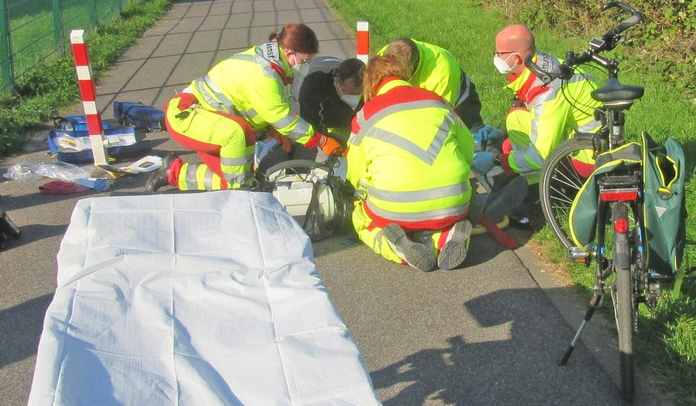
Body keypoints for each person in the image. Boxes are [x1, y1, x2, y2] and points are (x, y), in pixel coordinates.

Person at [147, 24, 344, 192]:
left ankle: (173, 171)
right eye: (305, 60)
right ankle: (243, 194)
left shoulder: (276, 64)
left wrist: (270, 128)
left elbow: (253, 103)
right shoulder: (265, 73)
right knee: (239, 139)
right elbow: (280, 115)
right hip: (188, 114)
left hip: (208, 117)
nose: (306, 65)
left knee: (230, 179)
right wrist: (321, 140)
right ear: (289, 52)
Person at [345, 55, 475, 271]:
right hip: (454, 201)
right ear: (404, 74)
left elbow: (355, 173)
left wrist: (363, 191)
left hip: (395, 207)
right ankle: (446, 238)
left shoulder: (365, 116)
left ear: (370, 84)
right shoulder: (438, 101)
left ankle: (398, 249)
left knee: (361, 217)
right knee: (440, 218)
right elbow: (468, 148)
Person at [479, 23, 601, 184]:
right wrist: (500, 133)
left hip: (587, 158)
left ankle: (533, 189)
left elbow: (541, 154)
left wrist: (499, 161)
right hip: (588, 139)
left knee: (516, 124)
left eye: (498, 53)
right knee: (514, 122)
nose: (496, 57)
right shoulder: (543, 64)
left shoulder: (546, 90)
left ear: (515, 58)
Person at [379, 37, 490, 139]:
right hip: (414, 98)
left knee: (474, 141)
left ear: (415, 64)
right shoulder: (384, 56)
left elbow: (438, 120)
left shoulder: (441, 73)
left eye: (401, 73)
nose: (394, 76)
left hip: (458, 103)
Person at [297, 57, 365, 143]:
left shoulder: (369, 84)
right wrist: (326, 141)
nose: (354, 98)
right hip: (308, 109)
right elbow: (311, 124)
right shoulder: (314, 85)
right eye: (350, 93)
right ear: (336, 82)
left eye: (358, 94)